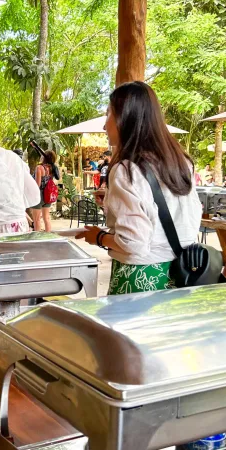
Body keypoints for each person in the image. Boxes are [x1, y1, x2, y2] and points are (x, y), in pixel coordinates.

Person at [76, 81, 202, 295]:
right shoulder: (180, 162)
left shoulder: (127, 170)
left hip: (140, 277)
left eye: (109, 115)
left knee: (124, 329)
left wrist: (98, 237)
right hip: (182, 274)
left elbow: (134, 243)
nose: (104, 126)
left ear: (127, 118)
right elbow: (187, 216)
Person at [30, 150, 60, 232]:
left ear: (43, 157)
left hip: (39, 195)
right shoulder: (52, 168)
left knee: (37, 219)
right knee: (46, 218)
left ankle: (38, 239)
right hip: (48, 194)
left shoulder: (39, 168)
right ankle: (49, 237)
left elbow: (37, 185)